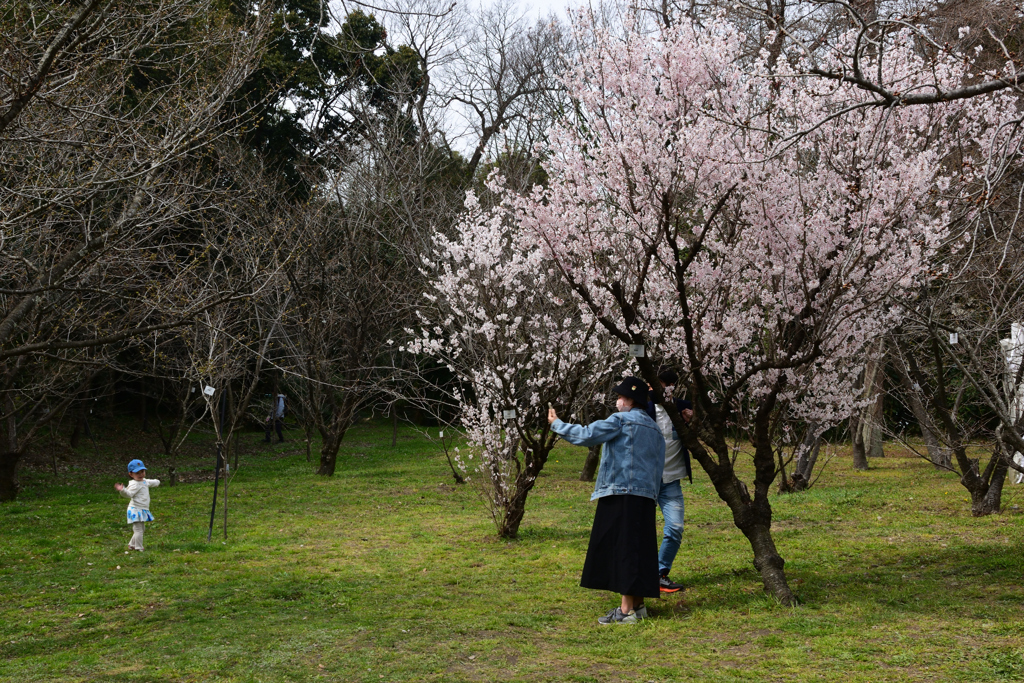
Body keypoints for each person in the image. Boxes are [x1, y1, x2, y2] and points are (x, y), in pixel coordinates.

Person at [548, 376, 665, 624]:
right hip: (645, 496)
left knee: (624, 550)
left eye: (620, 397)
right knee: (639, 549)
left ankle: (625, 612)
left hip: (620, 492)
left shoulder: (621, 420)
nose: (617, 401)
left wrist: (557, 424)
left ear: (630, 400)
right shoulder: (655, 429)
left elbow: (588, 435)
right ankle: (639, 605)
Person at [646, 369, 694, 593]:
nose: (658, 389)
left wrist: (690, 421)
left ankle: (659, 573)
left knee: (675, 528)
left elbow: (700, 431)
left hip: (671, 481)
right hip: (646, 481)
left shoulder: (683, 408)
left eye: (664, 385)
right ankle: (640, 574)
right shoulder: (643, 410)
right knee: (641, 531)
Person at [115, 459, 160, 552]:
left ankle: (132, 544)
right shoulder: (134, 484)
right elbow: (128, 494)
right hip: (135, 510)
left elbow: (152, 482)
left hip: (142, 509)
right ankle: (138, 547)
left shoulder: (144, 481)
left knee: (141, 529)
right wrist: (122, 490)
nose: (141, 474)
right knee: (138, 530)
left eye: (142, 472)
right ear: (131, 474)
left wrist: (157, 481)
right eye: (137, 473)